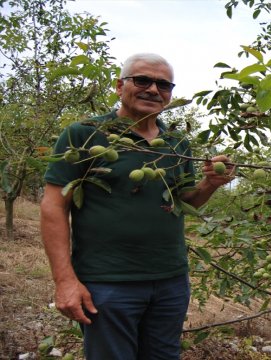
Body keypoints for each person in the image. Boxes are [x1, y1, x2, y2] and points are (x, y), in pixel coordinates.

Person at [40, 53, 234, 359]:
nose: (153, 90)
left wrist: (209, 183)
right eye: (142, 80)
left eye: (163, 85)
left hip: (170, 280)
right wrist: (65, 280)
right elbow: (53, 206)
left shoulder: (176, 143)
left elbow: (184, 201)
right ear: (120, 86)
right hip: (108, 282)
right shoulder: (85, 134)